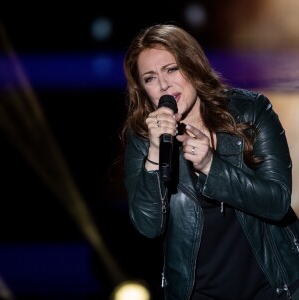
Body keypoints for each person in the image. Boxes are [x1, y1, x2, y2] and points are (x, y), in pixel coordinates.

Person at [120, 23, 299, 300]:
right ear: (143, 89)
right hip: (199, 293)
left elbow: (276, 203)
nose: (164, 84)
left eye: (171, 69)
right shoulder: (143, 138)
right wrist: (155, 153)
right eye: (150, 78)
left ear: (192, 65)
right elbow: (148, 225)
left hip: (274, 286)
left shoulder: (251, 112)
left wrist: (211, 166)